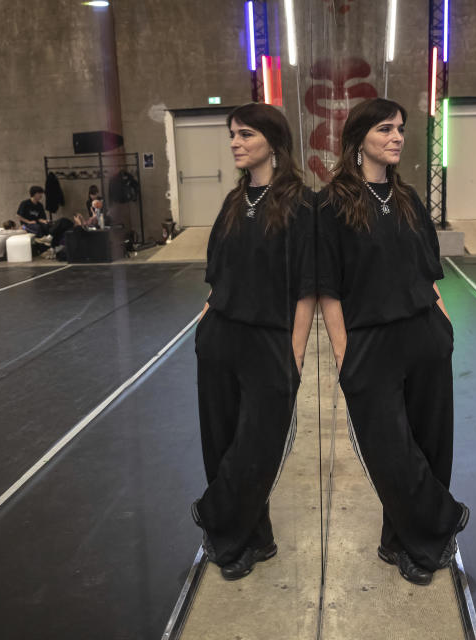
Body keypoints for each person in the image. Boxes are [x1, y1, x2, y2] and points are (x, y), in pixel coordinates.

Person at [316, 98, 468, 587]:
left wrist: (444, 328)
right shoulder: (332, 203)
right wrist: (346, 355)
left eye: (401, 128)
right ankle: (439, 522)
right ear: (360, 138)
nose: (398, 137)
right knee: (392, 452)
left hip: (424, 334)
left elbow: (429, 273)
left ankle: (404, 544)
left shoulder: (407, 199)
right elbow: (327, 289)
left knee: (431, 443)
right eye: (386, 128)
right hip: (371, 344)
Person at [191, 103, 316, 581]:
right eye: (232, 135)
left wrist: (295, 354)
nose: (235, 143)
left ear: (272, 140)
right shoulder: (231, 204)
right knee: (221, 444)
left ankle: (215, 518)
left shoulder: (303, 206)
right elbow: (216, 278)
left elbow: (308, 288)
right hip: (220, 337)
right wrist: (204, 325)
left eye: (244, 134)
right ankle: (250, 540)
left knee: (255, 448)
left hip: (270, 343)